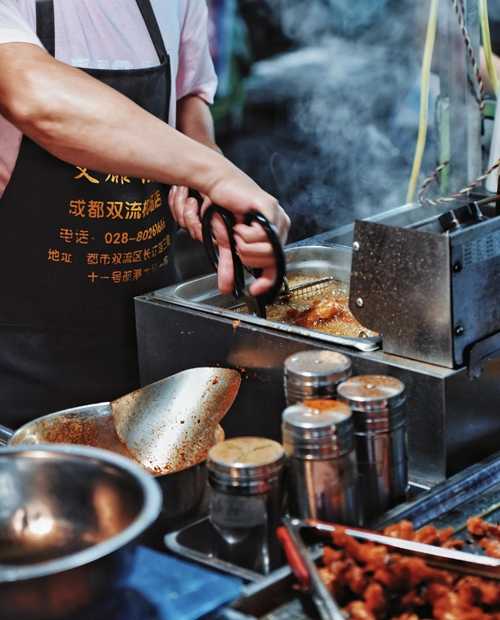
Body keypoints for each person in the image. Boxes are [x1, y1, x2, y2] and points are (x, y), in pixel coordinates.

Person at [0, 0, 290, 428]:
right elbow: (28, 91)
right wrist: (215, 173)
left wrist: (209, 183)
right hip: (16, 367)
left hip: (148, 344)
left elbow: (188, 100)